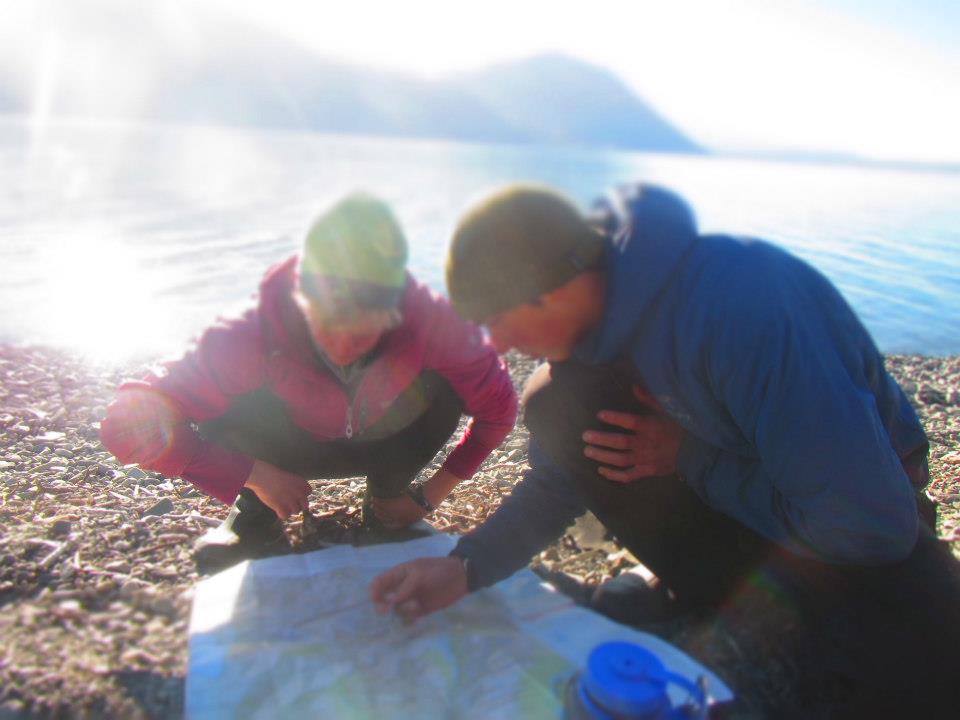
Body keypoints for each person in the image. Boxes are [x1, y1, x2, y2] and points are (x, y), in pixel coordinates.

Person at [370, 183, 960, 714]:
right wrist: (466, 567)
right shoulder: (593, 334)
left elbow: (868, 524)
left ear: (557, 287)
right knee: (554, 402)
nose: (497, 344)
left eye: (498, 319)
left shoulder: (741, 310)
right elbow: (560, 479)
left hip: (867, 529)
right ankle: (701, 599)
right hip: (752, 505)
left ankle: (772, 630)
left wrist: (690, 456)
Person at [100, 192, 517, 573]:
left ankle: (388, 500)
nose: (342, 348)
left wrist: (432, 494)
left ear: (396, 312)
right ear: (302, 300)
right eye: (328, 325)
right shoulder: (251, 329)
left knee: (445, 388)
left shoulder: (435, 322)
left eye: (362, 331)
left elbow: (499, 411)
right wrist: (251, 474)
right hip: (287, 448)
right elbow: (125, 429)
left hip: (387, 443)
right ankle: (255, 514)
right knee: (216, 397)